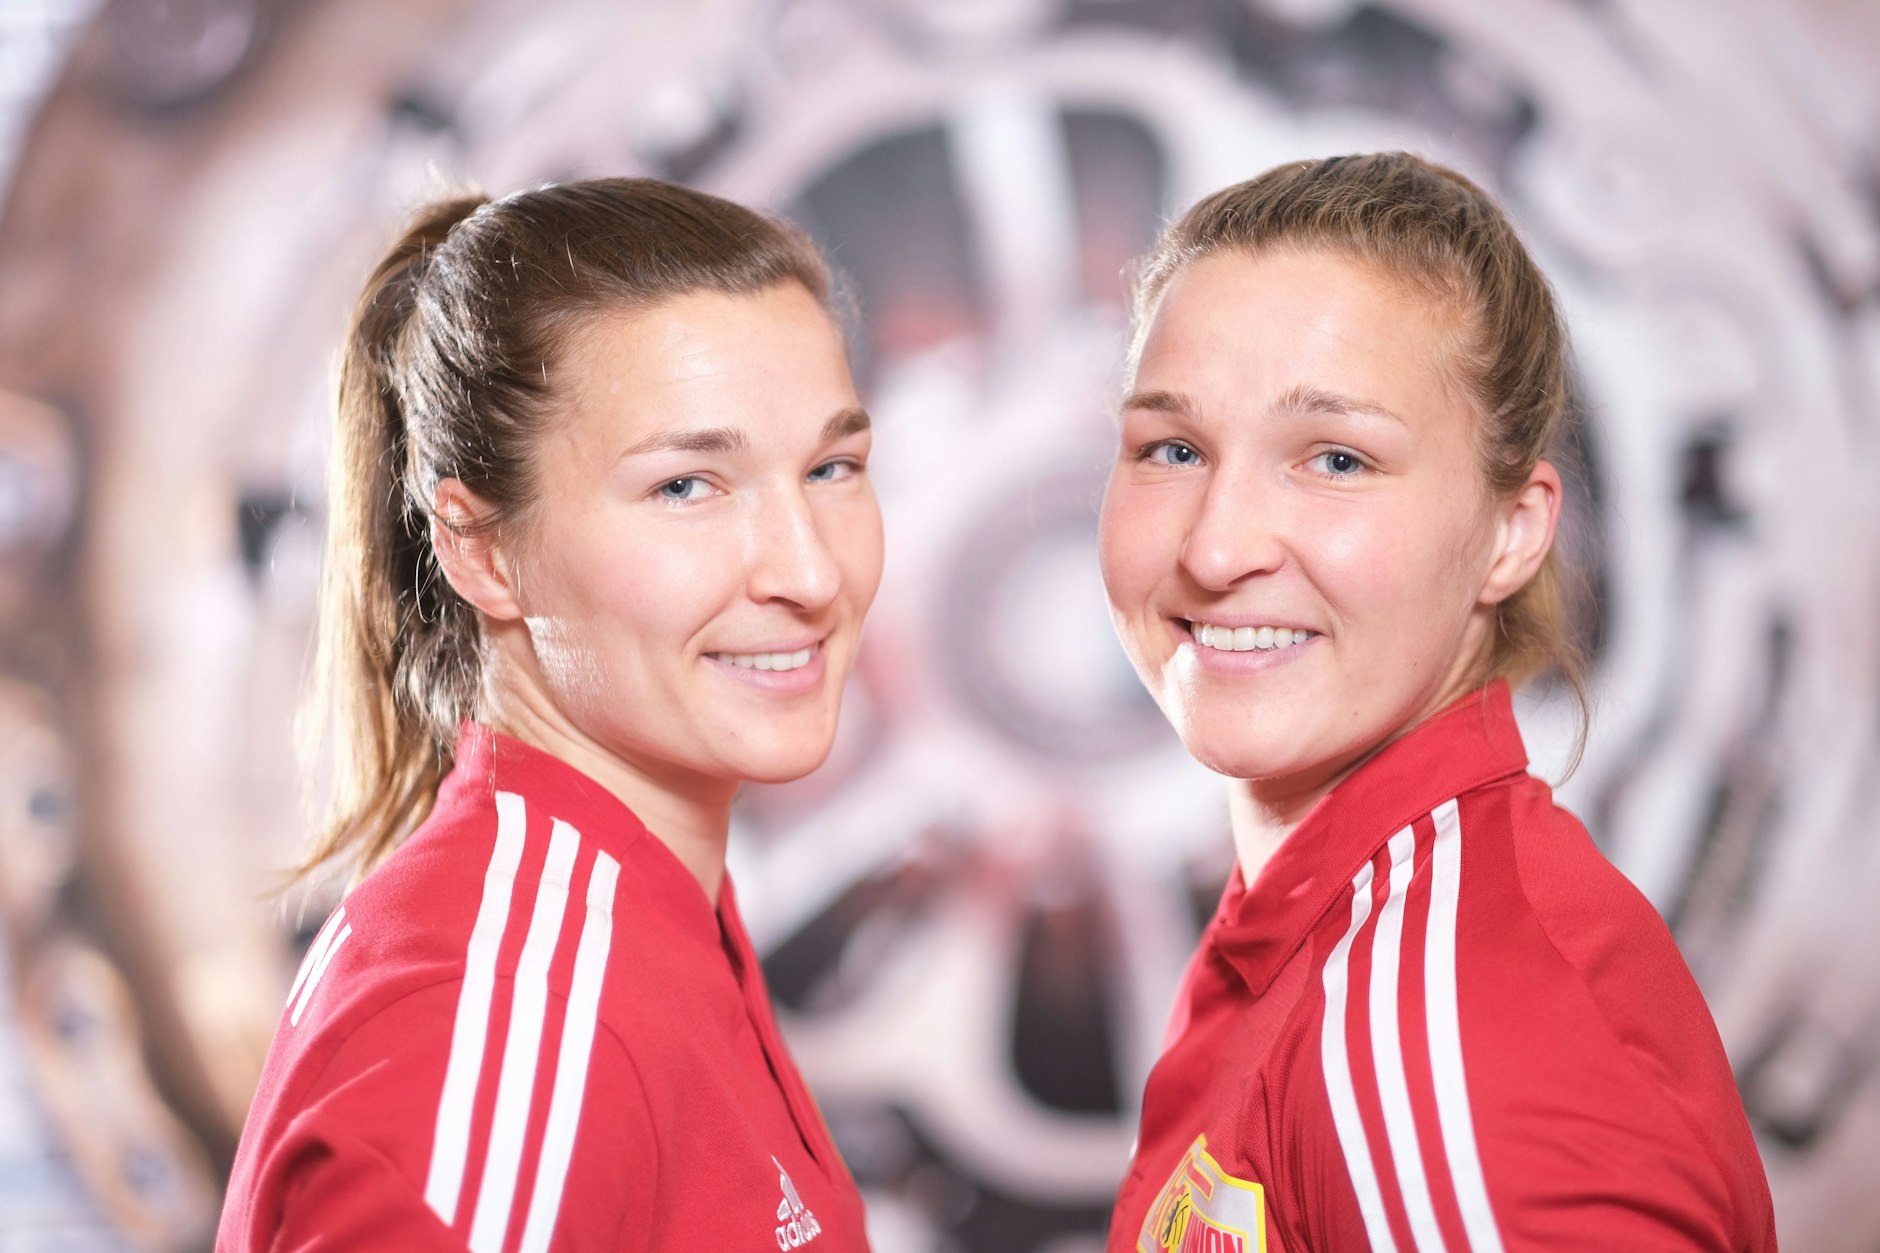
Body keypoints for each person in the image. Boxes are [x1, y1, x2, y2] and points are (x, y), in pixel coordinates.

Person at [1099, 153, 1775, 1252]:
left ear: (1510, 530)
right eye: (1169, 448)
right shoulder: (1324, 926)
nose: (1215, 546)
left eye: (1333, 458)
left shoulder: (1440, 1044)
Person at [217, 179, 880, 1252]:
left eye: (831, 467)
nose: (809, 569)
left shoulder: (640, 910)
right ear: (480, 550)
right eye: (686, 486)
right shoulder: (500, 1011)